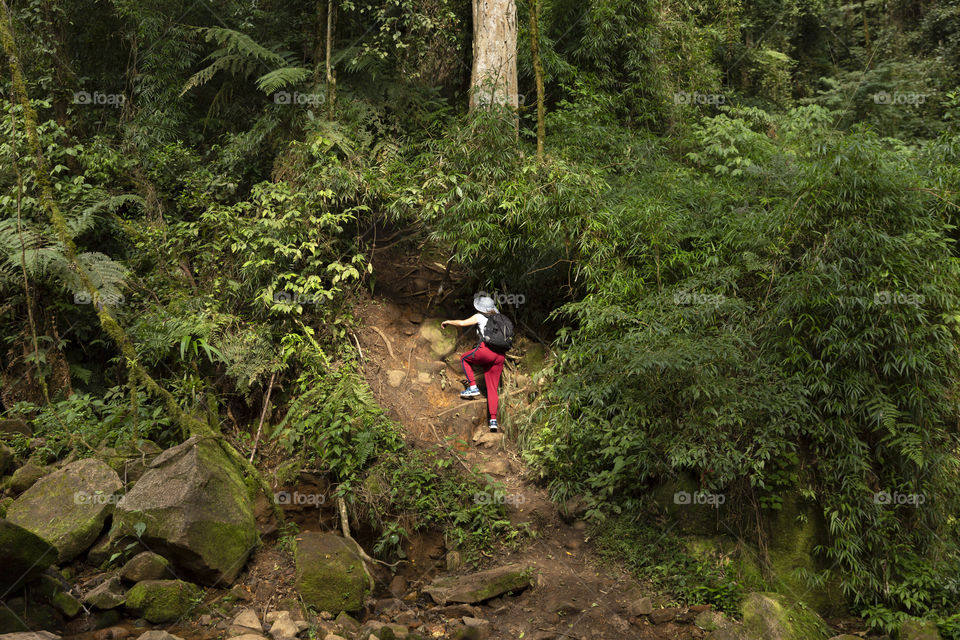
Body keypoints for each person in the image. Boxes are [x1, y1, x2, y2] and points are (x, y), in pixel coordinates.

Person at [441, 295, 506, 432]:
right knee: (492, 389)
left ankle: (473, 387)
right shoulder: (499, 319)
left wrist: (448, 321)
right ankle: (493, 421)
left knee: (464, 359)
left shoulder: (479, 316)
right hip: (500, 356)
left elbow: (462, 323)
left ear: (481, 308)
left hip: (487, 351)